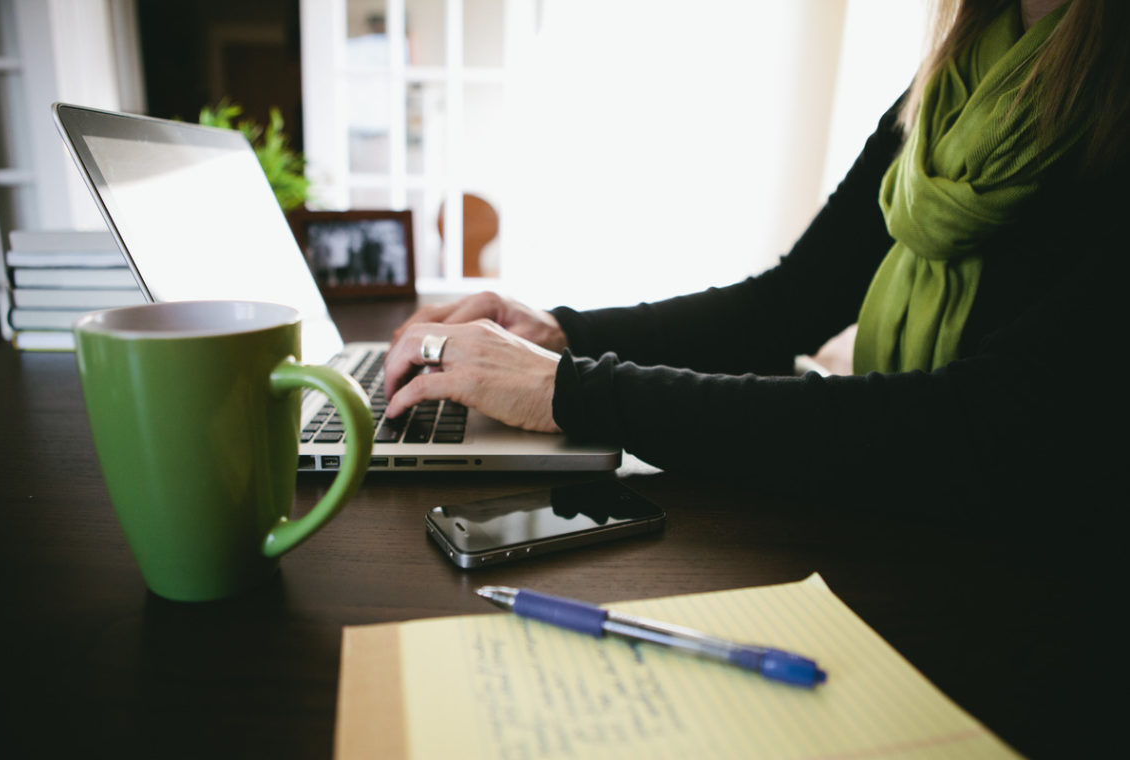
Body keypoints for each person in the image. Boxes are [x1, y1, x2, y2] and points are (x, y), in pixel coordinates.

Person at [382, 0, 1129, 509]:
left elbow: (969, 425)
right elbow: (791, 304)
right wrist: (557, 332)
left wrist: (573, 390)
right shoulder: (955, 83)